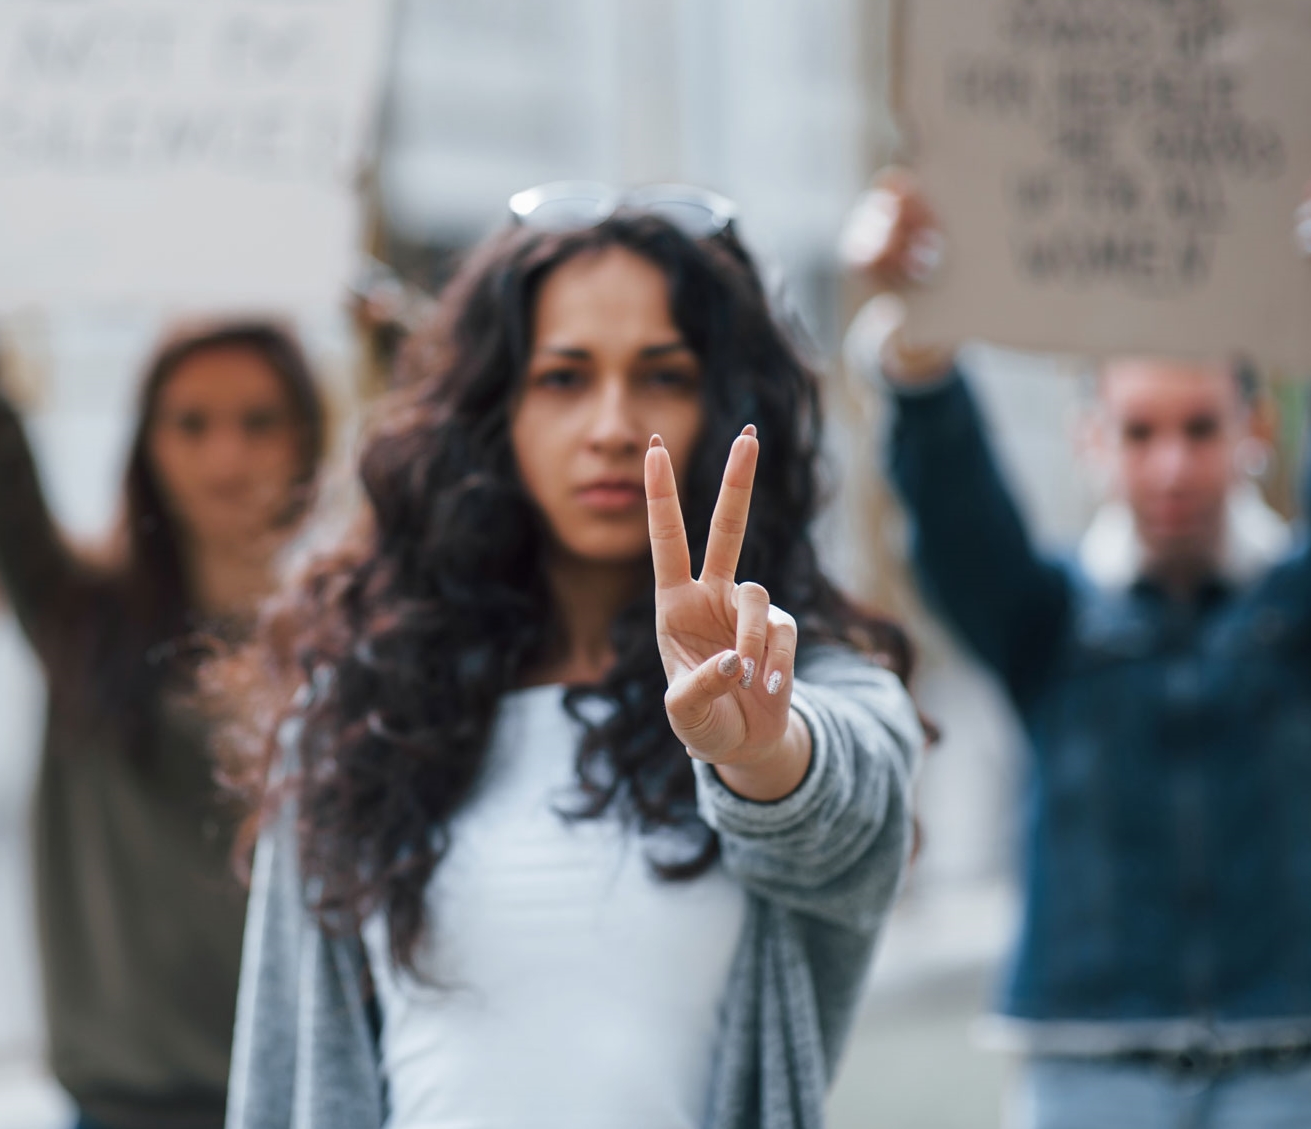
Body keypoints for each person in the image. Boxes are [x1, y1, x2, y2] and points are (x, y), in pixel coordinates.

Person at [218, 196, 925, 1129]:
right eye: (562, 377)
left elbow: (846, 804)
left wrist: (757, 753)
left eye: (661, 375)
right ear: (493, 411)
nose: (611, 424)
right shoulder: (359, 711)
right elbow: (279, 1080)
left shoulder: (799, 688)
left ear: (724, 406)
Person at [845, 173, 1311, 1128]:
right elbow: (954, 510)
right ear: (1090, 439)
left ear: (1253, 429)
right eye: (1139, 433)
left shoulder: (1293, 607)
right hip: (1087, 1067)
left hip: (1286, 1056)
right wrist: (919, 335)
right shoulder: (1047, 619)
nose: (1171, 465)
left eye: (1198, 428)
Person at [0, 320, 327, 1129]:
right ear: (146, 445)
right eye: (190, 423)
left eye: (259, 422)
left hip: (298, 1099)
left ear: (308, 437)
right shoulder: (81, 621)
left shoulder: (346, 644)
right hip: (121, 1107)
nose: (225, 457)